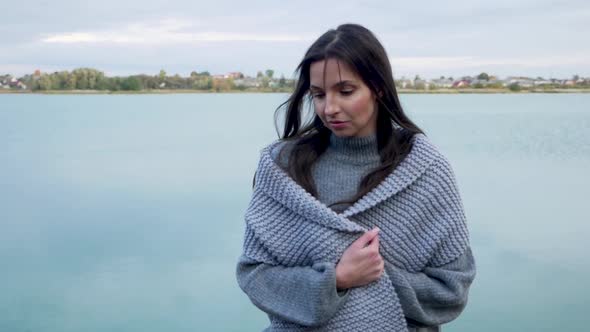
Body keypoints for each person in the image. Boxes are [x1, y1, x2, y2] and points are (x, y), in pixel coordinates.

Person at [236, 23, 476, 332]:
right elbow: (254, 275)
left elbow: (452, 290)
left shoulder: (425, 170)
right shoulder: (281, 167)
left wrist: (376, 275)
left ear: (377, 87)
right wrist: (337, 279)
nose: (329, 108)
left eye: (345, 91)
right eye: (318, 95)